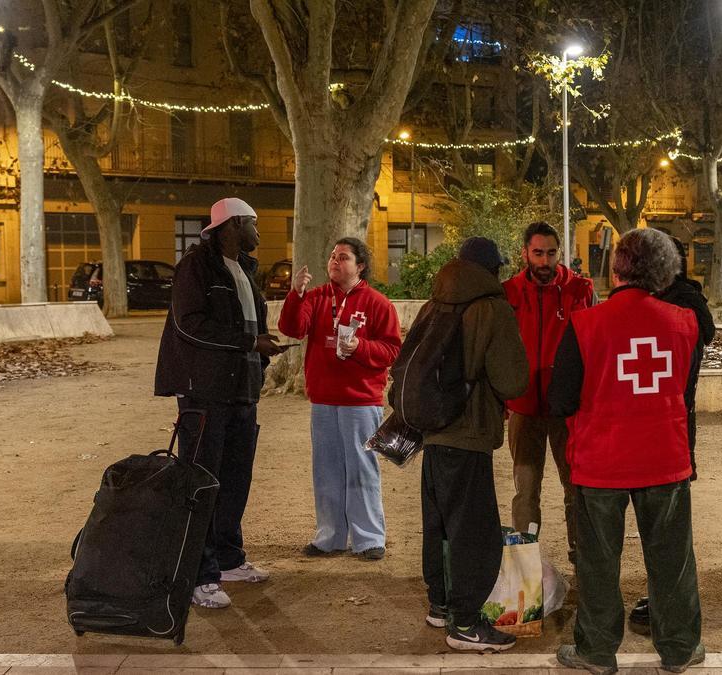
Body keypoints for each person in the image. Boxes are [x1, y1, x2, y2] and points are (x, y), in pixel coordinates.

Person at [549, 228, 705, 675]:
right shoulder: (685, 323)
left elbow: (560, 400)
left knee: (598, 562)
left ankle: (596, 652)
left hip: (600, 462)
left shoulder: (584, 323)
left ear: (615, 268)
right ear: (664, 271)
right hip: (665, 458)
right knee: (672, 560)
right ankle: (680, 648)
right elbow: (685, 390)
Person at [154, 197, 283, 609]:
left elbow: (251, 326)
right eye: (254, 223)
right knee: (205, 482)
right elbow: (189, 326)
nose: (259, 232)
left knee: (235, 479)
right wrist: (250, 342)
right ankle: (201, 575)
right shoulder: (196, 267)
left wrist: (260, 354)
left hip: (241, 392)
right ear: (232, 226)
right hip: (206, 394)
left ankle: (229, 559)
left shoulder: (244, 267)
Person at [416, 237, 528, 652]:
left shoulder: (436, 303)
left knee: (440, 524)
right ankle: (465, 624)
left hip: (433, 432)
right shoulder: (491, 307)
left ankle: (440, 605)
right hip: (468, 434)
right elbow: (513, 380)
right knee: (473, 531)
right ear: (491, 270)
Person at [279, 238, 401, 561]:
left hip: (361, 401)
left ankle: (369, 538)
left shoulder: (378, 304)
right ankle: (330, 536)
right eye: (332, 255)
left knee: (361, 469)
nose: (334, 261)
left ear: (359, 266)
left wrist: (359, 347)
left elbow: (392, 350)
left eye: (343, 257)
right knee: (327, 469)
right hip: (323, 400)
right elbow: (292, 327)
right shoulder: (317, 297)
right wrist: (296, 294)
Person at [628, 235, 715, 635]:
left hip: (669, 423)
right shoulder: (683, 302)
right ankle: (664, 599)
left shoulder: (677, 305)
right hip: (671, 420)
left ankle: (667, 604)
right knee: (666, 519)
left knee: (667, 521)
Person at [502, 222, 595, 563]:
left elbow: (594, 346)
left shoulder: (580, 290)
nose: (544, 261)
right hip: (524, 408)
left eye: (551, 253)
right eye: (538, 253)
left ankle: (582, 557)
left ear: (560, 253)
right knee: (526, 491)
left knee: (576, 487)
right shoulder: (508, 293)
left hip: (567, 411)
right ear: (524, 252)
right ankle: (525, 563)